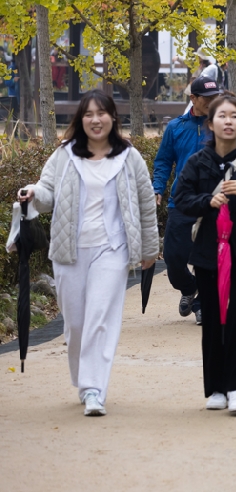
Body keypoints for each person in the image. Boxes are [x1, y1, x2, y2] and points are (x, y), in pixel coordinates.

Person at [18, 91, 158, 417]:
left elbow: (145, 205)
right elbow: (48, 192)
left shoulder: (129, 157)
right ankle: (83, 380)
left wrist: (149, 249)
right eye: (89, 114)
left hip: (113, 249)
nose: (96, 120)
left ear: (113, 117)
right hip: (69, 250)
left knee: (99, 320)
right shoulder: (66, 154)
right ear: (81, 120)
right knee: (77, 324)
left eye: (102, 113)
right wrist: (33, 193)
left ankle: (94, 388)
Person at [173, 96, 236, 415]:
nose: (229, 121)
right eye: (222, 116)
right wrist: (209, 200)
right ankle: (216, 387)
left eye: (235, 116)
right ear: (211, 122)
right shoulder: (197, 162)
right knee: (214, 323)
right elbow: (182, 199)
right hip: (208, 254)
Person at [154, 76, 222, 324]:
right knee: (173, 259)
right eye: (207, 98)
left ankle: (202, 305)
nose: (213, 102)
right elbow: (163, 161)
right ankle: (189, 288)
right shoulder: (176, 127)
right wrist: (157, 188)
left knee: (209, 259)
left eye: (216, 97)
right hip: (181, 202)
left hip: (215, 202)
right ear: (193, 98)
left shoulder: (222, 125)